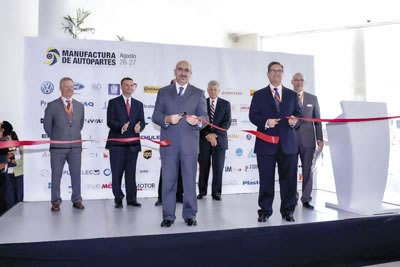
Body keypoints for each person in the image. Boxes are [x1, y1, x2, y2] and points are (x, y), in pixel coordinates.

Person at [152, 60, 208, 227]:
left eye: (187, 70)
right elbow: (155, 116)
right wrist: (167, 119)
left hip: (190, 146)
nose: (183, 73)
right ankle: (168, 215)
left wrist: (198, 121)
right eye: (180, 70)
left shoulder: (198, 93)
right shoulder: (163, 92)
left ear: (190, 73)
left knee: (190, 181)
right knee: (168, 180)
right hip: (169, 144)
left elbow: (205, 118)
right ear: (174, 72)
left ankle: (190, 214)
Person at [249, 61, 302, 223]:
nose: (276, 73)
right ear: (268, 74)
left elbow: (299, 116)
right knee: (266, 179)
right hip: (266, 144)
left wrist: (295, 122)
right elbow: (253, 116)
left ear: (283, 74)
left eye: (279, 71)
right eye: (273, 71)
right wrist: (266, 122)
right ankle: (264, 211)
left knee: (289, 180)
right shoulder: (258, 95)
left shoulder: (293, 95)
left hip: (288, 145)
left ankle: (288, 211)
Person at [43, 77, 85, 212]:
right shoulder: (52, 105)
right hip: (57, 148)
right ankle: (55, 201)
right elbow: (47, 127)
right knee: (56, 175)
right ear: (60, 88)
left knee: (76, 175)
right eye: (66, 86)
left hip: (75, 148)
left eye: (72, 87)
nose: (70, 89)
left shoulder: (80, 106)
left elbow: (80, 125)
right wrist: (57, 138)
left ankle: (77, 199)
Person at [106, 77, 145, 208]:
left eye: (131, 85)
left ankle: (132, 199)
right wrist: (121, 127)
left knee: (131, 172)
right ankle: (118, 198)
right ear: (121, 87)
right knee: (116, 173)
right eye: (126, 85)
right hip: (117, 144)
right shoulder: (113, 102)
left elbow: (142, 121)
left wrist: (140, 127)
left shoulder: (139, 104)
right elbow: (110, 121)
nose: (129, 87)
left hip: (133, 145)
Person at [291, 72, 323, 210]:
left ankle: (306, 199)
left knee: (307, 170)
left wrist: (320, 138)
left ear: (304, 82)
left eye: (301, 80)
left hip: (308, 140)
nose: (299, 82)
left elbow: (318, 120)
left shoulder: (312, 98)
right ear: (292, 82)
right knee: (291, 171)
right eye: (296, 80)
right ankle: (292, 197)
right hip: (291, 139)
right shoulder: (287, 97)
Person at [197, 80, 231, 201]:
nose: (213, 91)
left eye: (215, 89)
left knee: (218, 167)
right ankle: (202, 191)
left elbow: (227, 123)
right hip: (204, 140)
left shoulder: (226, 104)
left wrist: (214, 135)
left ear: (219, 91)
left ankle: (216, 192)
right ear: (207, 90)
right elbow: (199, 122)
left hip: (219, 141)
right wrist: (208, 135)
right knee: (203, 167)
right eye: (210, 89)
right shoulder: (201, 103)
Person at [155, 79, 184, 207]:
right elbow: (158, 117)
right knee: (166, 171)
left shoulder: (188, 100)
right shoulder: (165, 98)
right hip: (169, 140)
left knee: (183, 170)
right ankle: (162, 197)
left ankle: (179, 196)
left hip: (184, 141)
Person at [7, 131, 24, 204]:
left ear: (13, 137)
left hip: (18, 173)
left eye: (8, 138)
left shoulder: (20, 146)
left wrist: (12, 161)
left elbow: (24, 159)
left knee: (19, 195)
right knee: (9, 196)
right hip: (7, 173)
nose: (6, 140)